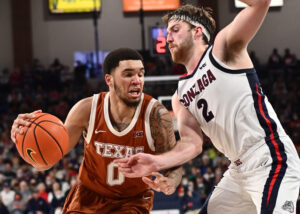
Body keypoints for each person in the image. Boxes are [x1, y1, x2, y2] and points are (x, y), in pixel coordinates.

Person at [115, 2, 300, 214]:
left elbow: (261, 3)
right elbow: (192, 144)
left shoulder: (222, 48)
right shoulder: (180, 95)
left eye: (175, 30)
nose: (168, 38)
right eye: (167, 33)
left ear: (197, 31)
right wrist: (156, 161)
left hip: (270, 156)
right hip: (238, 170)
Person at [10, 48, 183, 213]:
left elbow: (174, 164)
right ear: (109, 80)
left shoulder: (156, 115)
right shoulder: (86, 110)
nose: (137, 80)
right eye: (128, 74)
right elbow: (47, 162)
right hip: (88, 198)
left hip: (131, 202)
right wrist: (22, 141)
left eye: (141, 73)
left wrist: (171, 182)